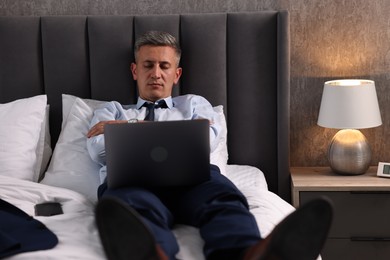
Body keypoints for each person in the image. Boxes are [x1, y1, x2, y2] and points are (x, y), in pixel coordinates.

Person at [87, 31, 332, 260]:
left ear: (177, 73)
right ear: (134, 70)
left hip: (194, 180)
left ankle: (245, 254)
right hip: (133, 181)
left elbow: (206, 141)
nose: (156, 73)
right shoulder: (110, 110)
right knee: (131, 211)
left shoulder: (194, 104)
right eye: (148, 65)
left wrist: (126, 127)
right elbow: (98, 151)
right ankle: (152, 253)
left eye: (164, 66)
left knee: (224, 199)